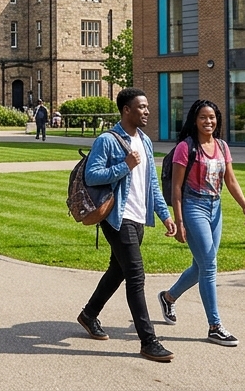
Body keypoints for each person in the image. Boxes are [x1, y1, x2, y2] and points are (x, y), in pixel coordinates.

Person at [76, 87, 178, 363]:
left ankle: (88, 314)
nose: (147, 111)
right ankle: (149, 341)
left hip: (138, 217)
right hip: (116, 218)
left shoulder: (144, 141)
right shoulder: (107, 141)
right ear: (126, 110)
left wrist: (164, 215)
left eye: (146, 107)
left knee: (117, 271)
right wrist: (125, 165)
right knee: (135, 275)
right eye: (141, 107)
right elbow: (92, 175)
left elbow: (152, 184)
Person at [159, 100, 245, 347]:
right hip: (193, 206)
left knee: (201, 266)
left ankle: (168, 297)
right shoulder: (185, 148)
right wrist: (179, 222)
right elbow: (177, 189)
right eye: (203, 117)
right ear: (194, 120)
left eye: (212, 117)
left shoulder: (222, 146)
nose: (208, 121)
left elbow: (230, 180)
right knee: (209, 266)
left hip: (215, 207)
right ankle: (215, 326)